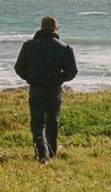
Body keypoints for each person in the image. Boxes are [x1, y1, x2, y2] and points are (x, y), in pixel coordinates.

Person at [14, 16, 78, 163]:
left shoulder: (29, 46)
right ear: (56, 29)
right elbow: (72, 71)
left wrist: (30, 78)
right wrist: (59, 79)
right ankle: (52, 153)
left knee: (37, 123)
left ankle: (42, 154)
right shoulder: (65, 48)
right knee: (52, 122)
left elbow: (18, 68)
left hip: (36, 89)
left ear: (41, 28)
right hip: (54, 90)